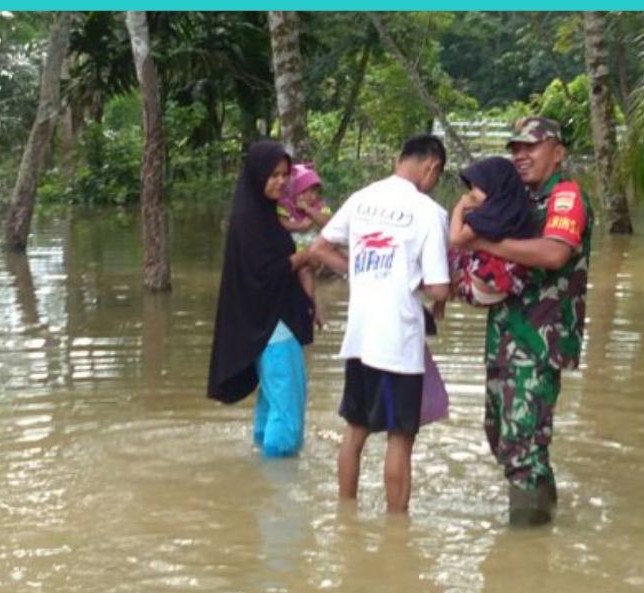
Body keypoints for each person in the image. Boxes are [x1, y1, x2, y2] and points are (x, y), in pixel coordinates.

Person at [451, 117, 594, 526]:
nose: (520, 156)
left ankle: (525, 560)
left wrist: (481, 240)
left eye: (531, 147)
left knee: (521, 444)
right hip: (504, 339)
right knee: (500, 436)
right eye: (515, 148)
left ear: (558, 152)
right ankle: (544, 515)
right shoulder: (519, 202)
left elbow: (553, 254)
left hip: (539, 343)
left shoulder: (564, 198)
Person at [310, 135, 451, 515]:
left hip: (360, 335)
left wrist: (359, 272)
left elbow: (319, 248)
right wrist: (427, 288)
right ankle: (396, 529)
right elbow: (439, 285)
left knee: (355, 431)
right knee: (401, 437)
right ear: (432, 167)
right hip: (399, 340)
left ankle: (345, 513)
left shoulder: (362, 198)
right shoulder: (429, 212)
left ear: (399, 158)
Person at [207, 141, 318, 458]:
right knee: (287, 410)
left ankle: (260, 474)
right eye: (273, 175)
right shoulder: (249, 220)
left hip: (269, 323)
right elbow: (266, 272)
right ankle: (279, 489)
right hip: (273, 328)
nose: (281, 181)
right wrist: (307, 255)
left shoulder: (263, 214)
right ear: (257, 176)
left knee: (272, 402)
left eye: (285, 174)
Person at [448, 157, 533, 306]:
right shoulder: (516, 211)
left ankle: (439, 295)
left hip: (480, 286)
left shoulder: (489, 216)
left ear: (493, 186)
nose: (471, 194)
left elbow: (455, 237)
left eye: (476, 187)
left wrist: (459, 207)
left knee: (447, 253)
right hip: (509, 286)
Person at [277, 163, 334, 240]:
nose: (314, 196)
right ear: (298, 192)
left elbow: (330, 224)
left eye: (316, 191)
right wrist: (300, 226)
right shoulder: (285, 205)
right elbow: (282, 223)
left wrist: (308, 209)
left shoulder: (320, 206)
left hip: (316, 249)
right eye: (311, 192)